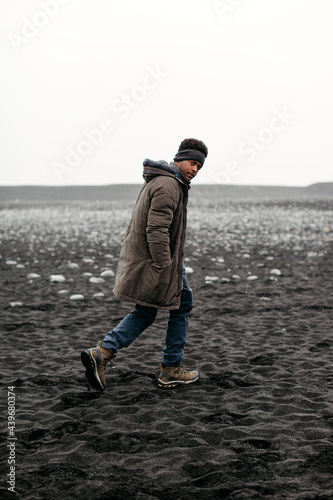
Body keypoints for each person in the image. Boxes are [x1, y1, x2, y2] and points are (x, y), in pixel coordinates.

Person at [81, 138, 208, 390]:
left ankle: (103, 352)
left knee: (147, 311)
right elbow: (156, 228)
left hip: (152, 261)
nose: (194, 169)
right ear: (179, 158)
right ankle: (170, 368)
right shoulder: (169, 185)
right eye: (192, 163)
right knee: (181, 306)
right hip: (158, 263)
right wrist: (164, 265)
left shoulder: (165, 181)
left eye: (199, 166)